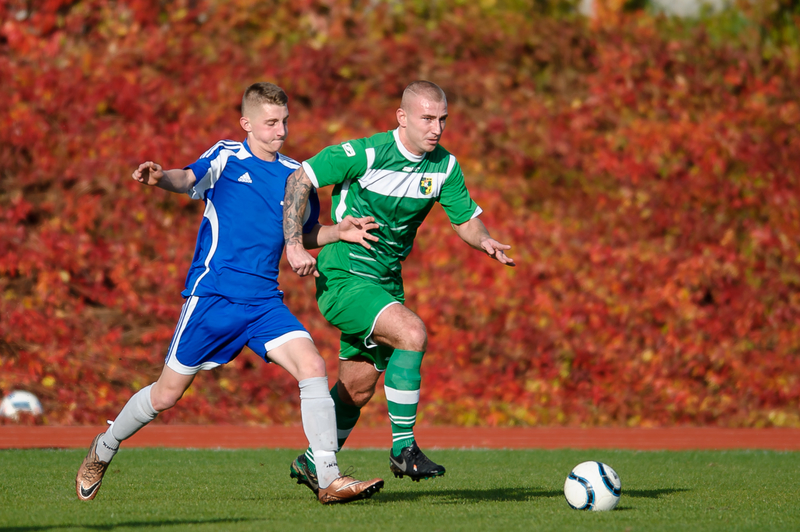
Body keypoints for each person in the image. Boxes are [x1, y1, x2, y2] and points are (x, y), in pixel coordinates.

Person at [75, 82, 384, 505]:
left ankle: (328, 476)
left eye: (285, 122)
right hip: (213, 299)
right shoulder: (225, 155)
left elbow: (305, 233)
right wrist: (160, 177)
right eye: (272, 123)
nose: (281, 131)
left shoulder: (296, 176)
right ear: (247, 123)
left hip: (263, 303)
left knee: (312, 364)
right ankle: (104, 447)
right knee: (166, 395)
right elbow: (186, 178)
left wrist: (337, 232)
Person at [282, 80, 515, 493]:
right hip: (345, 275)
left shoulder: (445, 165)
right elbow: (302, 177)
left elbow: (463, 219)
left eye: (442, 119)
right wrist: (295, 243)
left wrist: (484, 240)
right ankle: (403, 450)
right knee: (412, 333)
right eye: (427, 118)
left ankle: (313, 463)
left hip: (386, 283)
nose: (436, 128)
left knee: (357, 388)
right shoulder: (367, 152)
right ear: (402, 117)